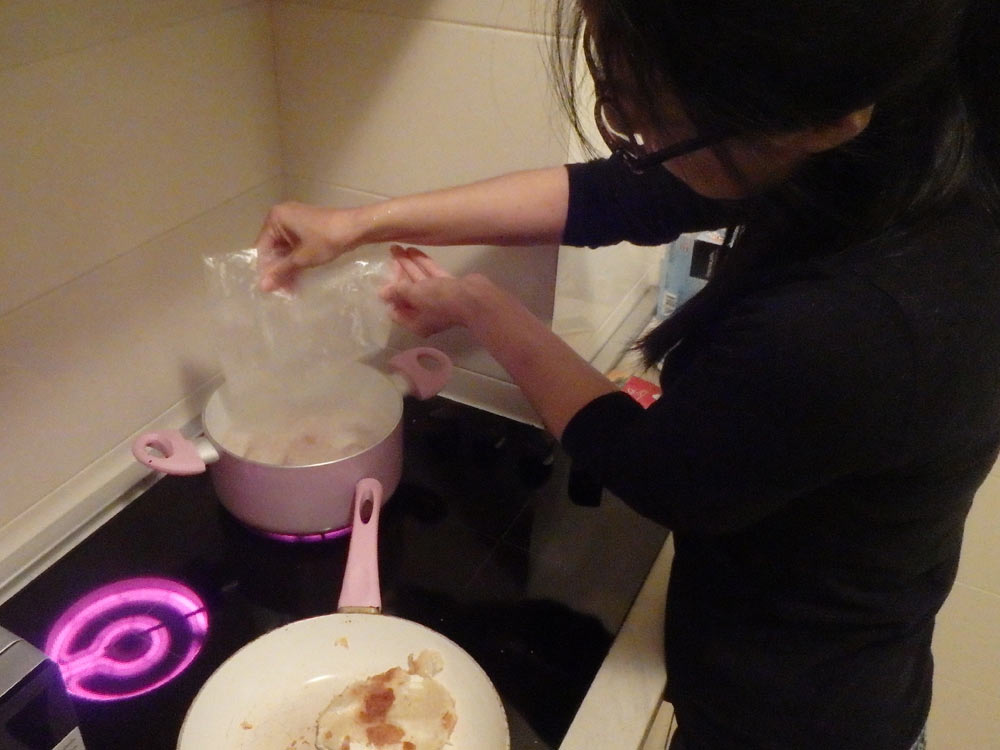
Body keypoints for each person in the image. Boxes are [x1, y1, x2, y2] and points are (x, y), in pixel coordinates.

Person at [255, 0, 1000, 747]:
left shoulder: (856, 324)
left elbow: (656, 469)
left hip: (796, 720)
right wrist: (362, 223)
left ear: (821, 122)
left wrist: (481, 304)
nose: (640, 145)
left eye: (654, 125)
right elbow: (628, 192)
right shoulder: (876, 125)